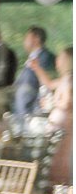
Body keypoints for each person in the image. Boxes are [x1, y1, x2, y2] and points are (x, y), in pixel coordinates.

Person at [30, 46, 72, 185]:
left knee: (58, 157)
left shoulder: (70, 80)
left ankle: (56, 188)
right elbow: (48, 83)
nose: (57, 61)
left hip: (63, 125)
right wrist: (37, 68)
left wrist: (51, 104)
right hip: (59, 124)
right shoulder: (66, 78)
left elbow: (66, 103)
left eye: (60, 58)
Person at [15, 26, 56, 118]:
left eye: (27, 37)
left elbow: (44, 85)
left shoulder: (46, 57)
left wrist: (37, 110)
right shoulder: (32, 58)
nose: (24, 41)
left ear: (36, 38)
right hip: (21, 108)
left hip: (33, 110)